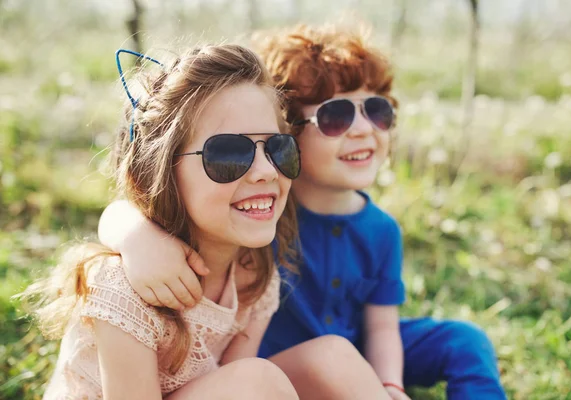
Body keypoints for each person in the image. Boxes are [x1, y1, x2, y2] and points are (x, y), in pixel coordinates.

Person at [98, 24, 507, 400]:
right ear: (294, 126)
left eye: (377, 110)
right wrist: (136, 237)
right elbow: (135, 205)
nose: (363, 129)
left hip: (339, 351)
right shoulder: (256, 215)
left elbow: (382, 326)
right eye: (335, 116)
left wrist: (389, 384)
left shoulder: (356, 227)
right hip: (276, 362)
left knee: (462, 339)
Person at [18, 43, 387, 400]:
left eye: (278, 147)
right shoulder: (123, 287)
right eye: (228, 153)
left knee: (333, 358)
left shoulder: (256, 272)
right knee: (257, 382)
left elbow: (230, 381)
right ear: (162, 168)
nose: (265, 171)